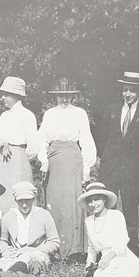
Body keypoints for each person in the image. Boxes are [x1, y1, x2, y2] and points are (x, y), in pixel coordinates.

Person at [95, 71, 139, 254]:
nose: (128, 94)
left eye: (132, 90)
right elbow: (102, 138)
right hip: (110, 168)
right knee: (106, 208)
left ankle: (130, 251)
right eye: (125, 90)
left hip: (132, 170)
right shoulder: (112, 110)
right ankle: (105, 250)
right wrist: (107, 158)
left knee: (130, 209)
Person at [38, 77, 96, 259]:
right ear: (55, 97)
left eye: (67, 96)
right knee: (54, 201)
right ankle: (55, 249)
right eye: (60, 96)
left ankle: (74, 250)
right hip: (54, 159)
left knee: (73, 203)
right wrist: (43, 160)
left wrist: (86, 168)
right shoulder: (49, 114)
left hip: (73, 159)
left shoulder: (79, 113)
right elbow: (42, 139)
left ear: (73, 97)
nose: (64, 99)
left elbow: (86, 139)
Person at [0, 76, 45, 212]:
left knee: (18, 194)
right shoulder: (4, 116)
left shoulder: (27, 115)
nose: (3, 98)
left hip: (18, 161)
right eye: (3, 94)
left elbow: (33, 145)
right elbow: (0, 138)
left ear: (16, 96)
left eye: (6, 94)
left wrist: (21, 158)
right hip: (2, 158)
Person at [0, 181, 60, 275]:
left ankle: (12, 275)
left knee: (28, 261)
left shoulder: (44, 215)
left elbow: (54, 242)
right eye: (20, 201)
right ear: (15, 200)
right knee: (2, 263)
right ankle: (12, 276)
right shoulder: (8, 216)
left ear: (33, 199)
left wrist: (35, 250)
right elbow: (3, 241)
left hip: (37, 254)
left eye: (27, 200)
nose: (24, 205)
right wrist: (7, 250)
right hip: (16, 255)